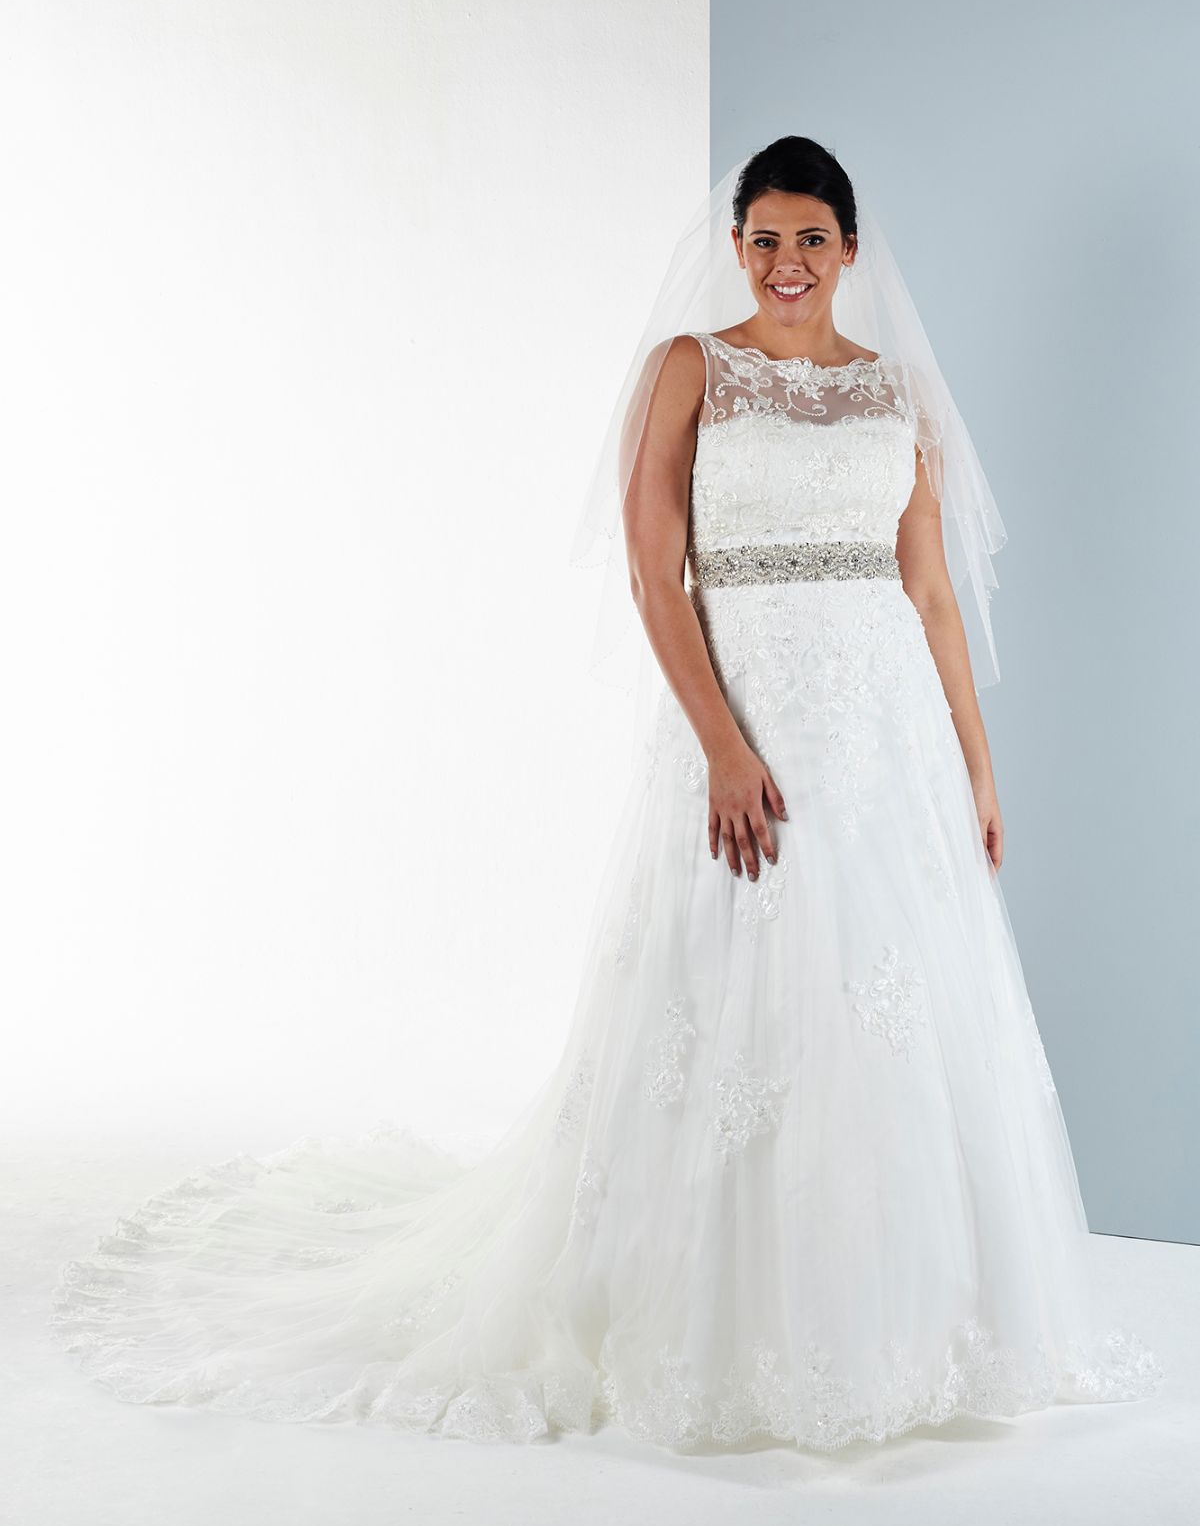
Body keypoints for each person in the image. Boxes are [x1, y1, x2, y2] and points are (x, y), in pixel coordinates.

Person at [49, 136, 1163, 1453]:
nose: (788, 263)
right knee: (748, 991)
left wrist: (974, 761)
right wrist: (725, 747)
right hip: (752, 723)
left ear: (852, 251)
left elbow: (927, 589)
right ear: (735, 246)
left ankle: (907, 1329)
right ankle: (719, 1320)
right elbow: (653, 571)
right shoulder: (691, 368)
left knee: (892, 1010)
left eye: (812, 239)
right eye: (765, 239)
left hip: (888, 741)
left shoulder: (899, 393)